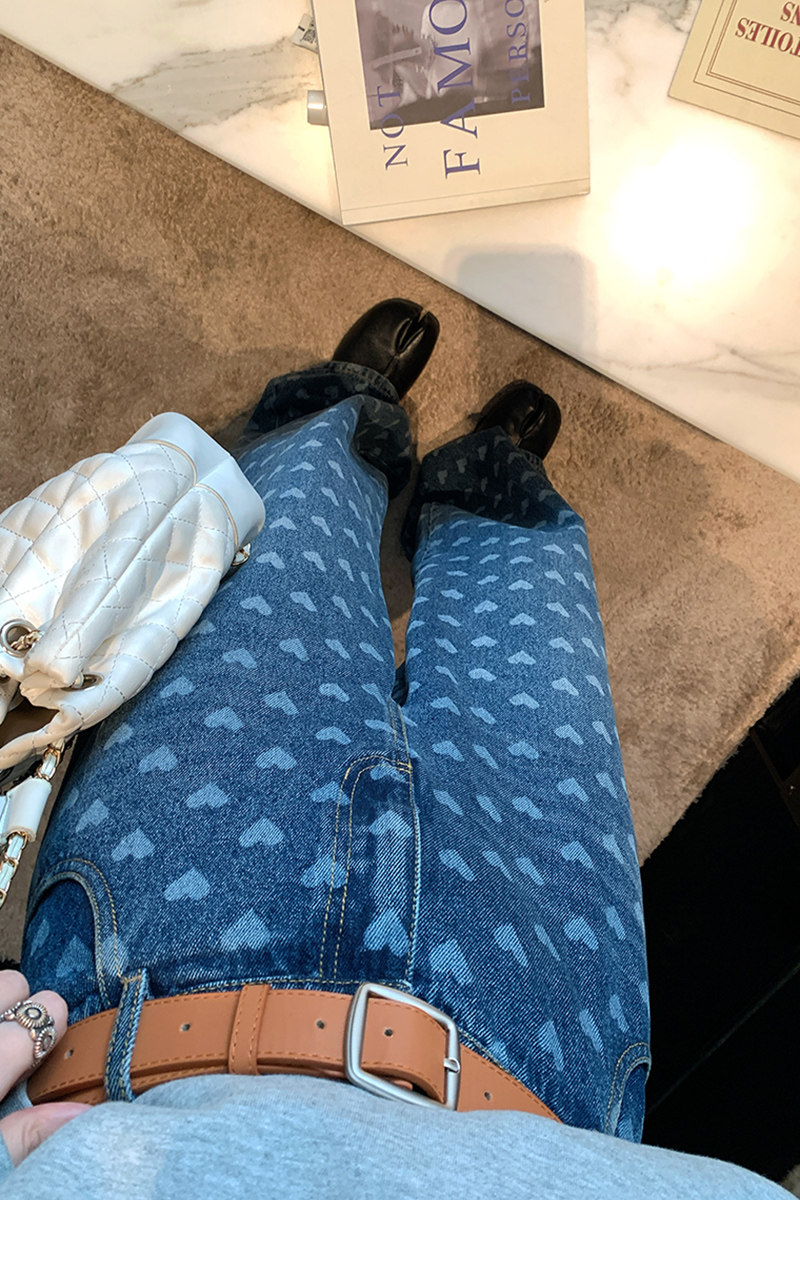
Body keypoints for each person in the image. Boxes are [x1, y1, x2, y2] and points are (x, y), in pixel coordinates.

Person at [0, 300, 791, 1198]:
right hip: (543, 1064)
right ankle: (489, 490)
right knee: (543, 633)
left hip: (155, 992)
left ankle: (346, 411)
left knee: (283, 553)